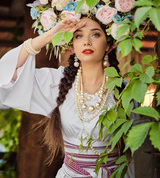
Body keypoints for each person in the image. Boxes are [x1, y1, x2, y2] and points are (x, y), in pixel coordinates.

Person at [0, 14, 128, 178]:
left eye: (95, 34)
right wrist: (48, 36)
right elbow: (3, 74)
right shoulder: (57, 83)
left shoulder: (125, 89)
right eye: (78, 35)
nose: (86, 41)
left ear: (109, 45)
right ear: (72, 46)